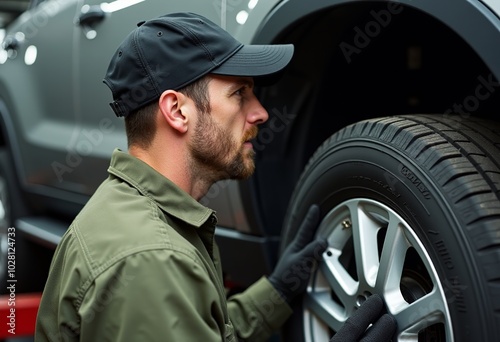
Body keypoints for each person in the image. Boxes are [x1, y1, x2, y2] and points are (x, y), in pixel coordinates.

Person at [35, 12, 396, 341]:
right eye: (239, 93)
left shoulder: (138, 218)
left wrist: (279, 291)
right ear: (177, 111)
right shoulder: (150, 261)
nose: (261, 113)